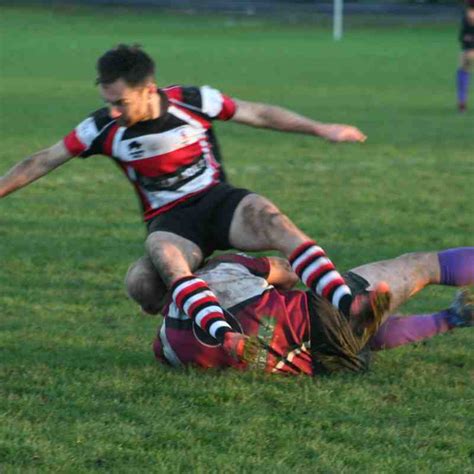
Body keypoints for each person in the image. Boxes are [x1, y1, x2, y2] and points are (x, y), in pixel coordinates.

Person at [0, 44, 371, 360]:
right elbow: (43, 159)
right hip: (174, 224)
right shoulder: (101, 128)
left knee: (271, 218)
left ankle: (347, 304)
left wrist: (321, 128)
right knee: (144, 282)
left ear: (148, 90)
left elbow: (259, 113)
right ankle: (226, 337)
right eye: (107, 103)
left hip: (219, 205)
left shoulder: (192, 102)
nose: (113, 111)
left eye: (121, 103)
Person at [125, 247, 474, 375]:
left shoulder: (166, 348)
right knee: (420, 265)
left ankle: (454, 317)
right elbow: (288, 271)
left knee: (358, 337)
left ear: (149, 309)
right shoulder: (218, 270)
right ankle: (356, 308)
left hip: (325, 364)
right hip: (319, 316)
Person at [456, 0, 474, 111]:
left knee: (463, 69)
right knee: (464, 68)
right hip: (469, 48)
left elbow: (462, 36)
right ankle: (462, 102)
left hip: (468, 49)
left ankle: (462, 101)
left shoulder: (467, 15)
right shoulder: (467, 15)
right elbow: (463, 36)